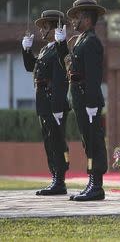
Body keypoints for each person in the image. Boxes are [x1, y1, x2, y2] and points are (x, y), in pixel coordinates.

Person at [55, 0, 107, 201]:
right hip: (80, 98)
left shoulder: (91, 41)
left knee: (94, 141)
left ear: (87, 18)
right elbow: (68, 67)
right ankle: (92, 182)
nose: (73, 21)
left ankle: (97, 185)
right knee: (88, 141)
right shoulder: (81, 40)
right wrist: (61, 45)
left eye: (77, 17)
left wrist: (92, 103)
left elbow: (94, 76)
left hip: (88, 99)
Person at [21, 10, 70, 195]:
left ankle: (60, 180)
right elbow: (30, 67)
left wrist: (57, 106)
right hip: (43, 102)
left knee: (57, 141)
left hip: (53, 102)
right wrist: (26, 50)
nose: (41, 31)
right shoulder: (44, 49)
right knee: (49, 141)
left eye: (45, 27)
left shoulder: (58, 48)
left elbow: (61, 79)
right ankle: (55, 178)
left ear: (53, 27)